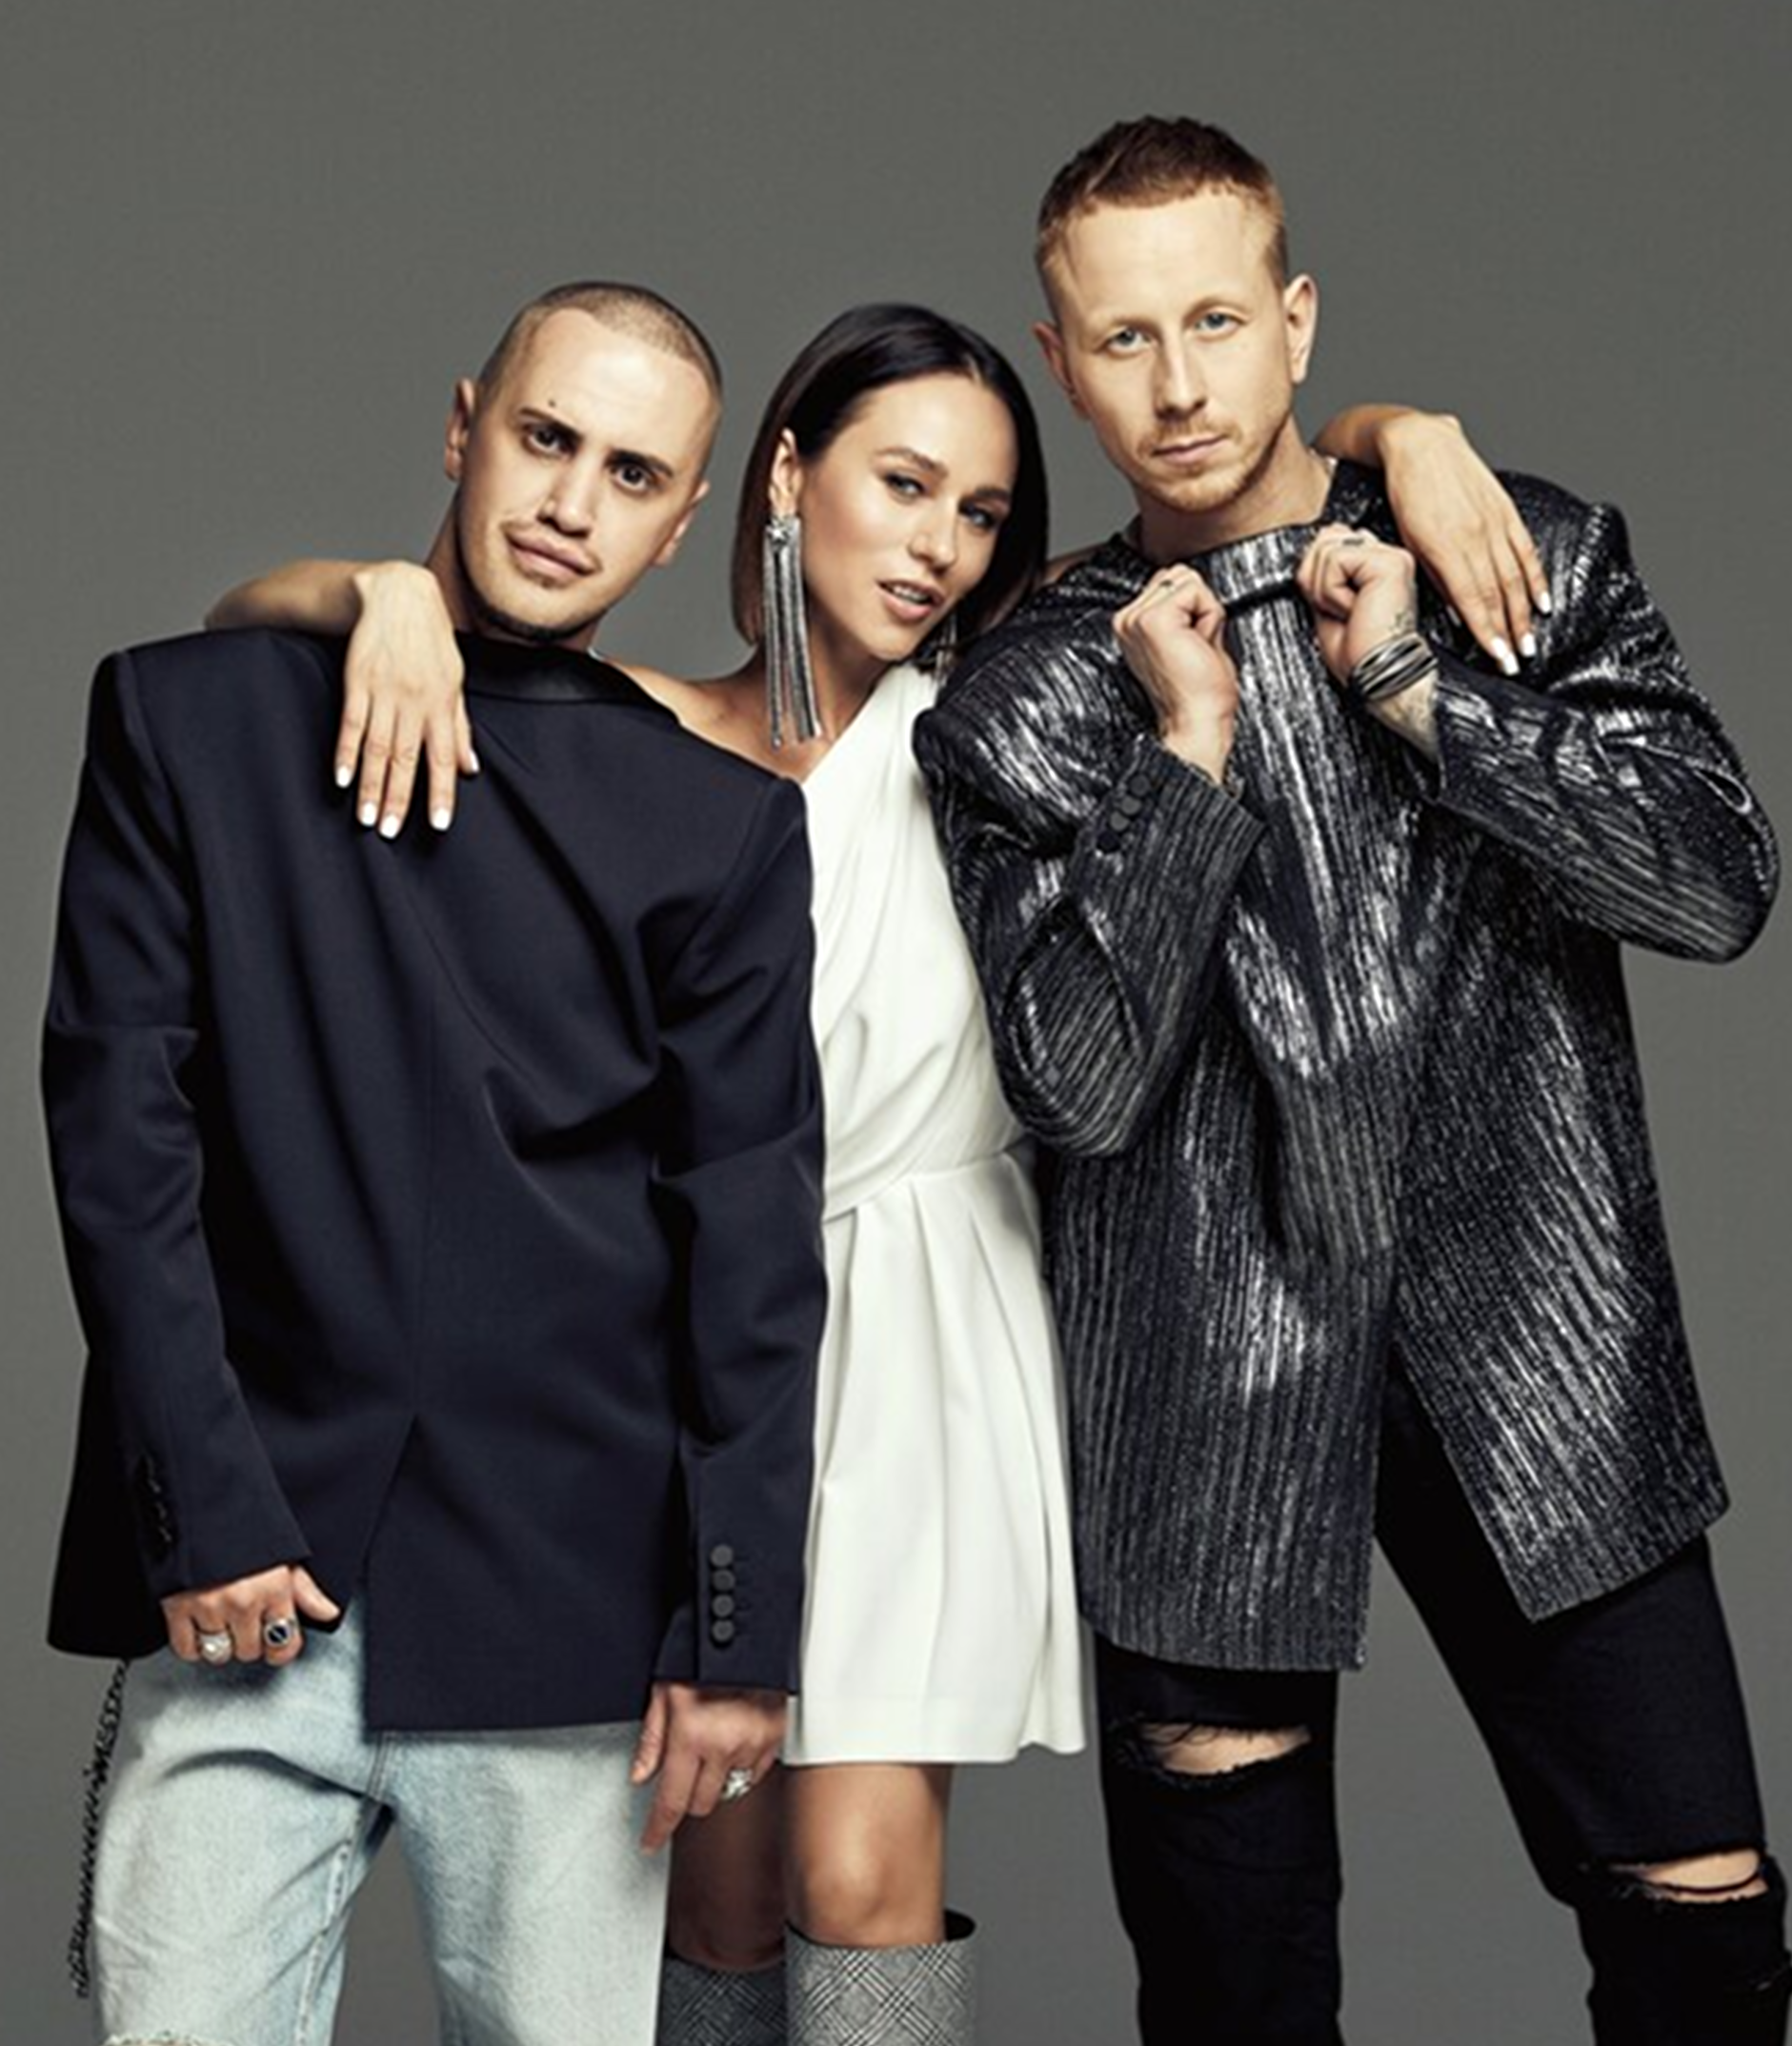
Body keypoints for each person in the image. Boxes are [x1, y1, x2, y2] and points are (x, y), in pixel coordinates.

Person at [217, 295, 1544, 2043]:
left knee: (859, 1879)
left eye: (980, 512)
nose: (937, 546)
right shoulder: (618, 729)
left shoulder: (1003, 720)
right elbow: (240, 641)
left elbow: (1228, 504)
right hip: (684, 1354)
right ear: (785, 474)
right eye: (903, 484)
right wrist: (386, 594)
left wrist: (1398, 432)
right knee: (707, 1879)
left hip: (925, 1333)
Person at [914, 115, 1789, 2045]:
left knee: (1703, 1923)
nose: (1177, 383)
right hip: (1200, 1378)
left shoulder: (1505, 553)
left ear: (1296, 320)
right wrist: (1186, 760)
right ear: (1061, 363)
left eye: (1216, 320)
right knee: (1235, 1996)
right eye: (1123, 338)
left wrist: (1416, 690)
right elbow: (1075, 1087)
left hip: (1539, 1340)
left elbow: (1715, 886)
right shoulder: (1027, 692)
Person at [42, 279, 828, 2046]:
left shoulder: (719, 833)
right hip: (246, 1588)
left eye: (633, 474)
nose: (571, 503)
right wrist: (203, 1511)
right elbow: (120, 1145)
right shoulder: (190, 722)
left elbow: (752, 1253)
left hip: (565, 1607)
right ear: (465, 426)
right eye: (547, 439)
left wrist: (737, 1632)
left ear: (683, 521)